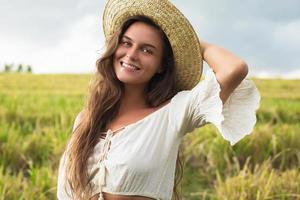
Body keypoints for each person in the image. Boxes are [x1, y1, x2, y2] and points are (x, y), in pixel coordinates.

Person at [57, 0, 260, 200]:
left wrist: (187, 41)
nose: (131, 55)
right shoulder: (87, 119)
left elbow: (234, 68)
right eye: (126, 43)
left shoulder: (173, 112)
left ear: (161, 65)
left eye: (147, 50)